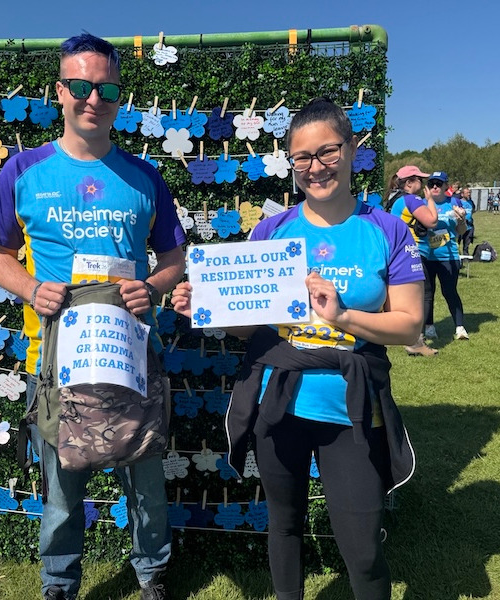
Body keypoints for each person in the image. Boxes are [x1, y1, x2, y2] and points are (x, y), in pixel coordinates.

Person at [173, 98, 423, 600]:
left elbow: (411, 324)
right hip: (279, 402)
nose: (316, 167)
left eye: (327, 151)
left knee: (364, 548)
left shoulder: (388, 229)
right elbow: (252, 331)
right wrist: (207, 308)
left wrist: (345, 317)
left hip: (351, 408)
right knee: (283, 526)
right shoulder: (271, 231)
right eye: (302, 157)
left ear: (352, 150)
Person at [0, 33, 186, 600]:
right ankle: (59, 583)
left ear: (119, 97)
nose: (93, 98)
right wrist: (30, 288)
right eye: (80, 86)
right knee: (63, 490)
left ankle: (152, 576)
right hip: (54, 367)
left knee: (145, 484)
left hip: (132, 363)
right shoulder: (23, 172)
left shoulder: (146, 178)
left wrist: (151, 287)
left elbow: (174, 259)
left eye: (107, 88)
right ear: (60, 91)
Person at [385, 165, 440, 356]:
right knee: (423, 295)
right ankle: (416, 341)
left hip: (397, 251)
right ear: (410, 182)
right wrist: (430, 200)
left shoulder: (394, 199)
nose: (424, 185)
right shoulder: (411, 199)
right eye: (421, 180)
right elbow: (432, 220)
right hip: (413, 251)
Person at [420, 172, 469, 341]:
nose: (434, 187)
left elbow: (461, 232)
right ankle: (429, 326)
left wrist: (461, 219)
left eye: (438, 184)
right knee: (428, 293)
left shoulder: (454, 203)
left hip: (448, 256)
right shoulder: (421, 204)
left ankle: (460, 327)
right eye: (432, 183)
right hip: (426, 256)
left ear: (445, 186)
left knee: (450, 291)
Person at [457, 186, 475, 255]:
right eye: (467, 193)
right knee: (457, 242)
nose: (469, 194)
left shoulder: (471, 202)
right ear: (462, 194)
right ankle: (457, 256)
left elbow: (473, 211)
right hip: (461, 225)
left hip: (470, 226)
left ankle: (466, 256)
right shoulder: (459, 202)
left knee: (467, 242)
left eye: (469, 193)